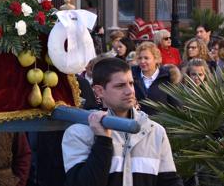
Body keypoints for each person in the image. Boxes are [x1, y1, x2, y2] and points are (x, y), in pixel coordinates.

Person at [62, 58, 183, 186]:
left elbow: (169, 182)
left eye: (131, 83)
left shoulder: (155, 131)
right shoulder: (78, 133)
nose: (130, 91)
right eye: (120, 86)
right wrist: (103, 140)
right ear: (99, 91)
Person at [132, 42, 181, 115]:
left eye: (146, 58)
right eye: (139, 58)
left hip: (161, 124)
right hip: (137, 123)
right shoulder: (131, 77)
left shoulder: (168, 78)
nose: (142, 61)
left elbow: (177, 107)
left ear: (156, 59)